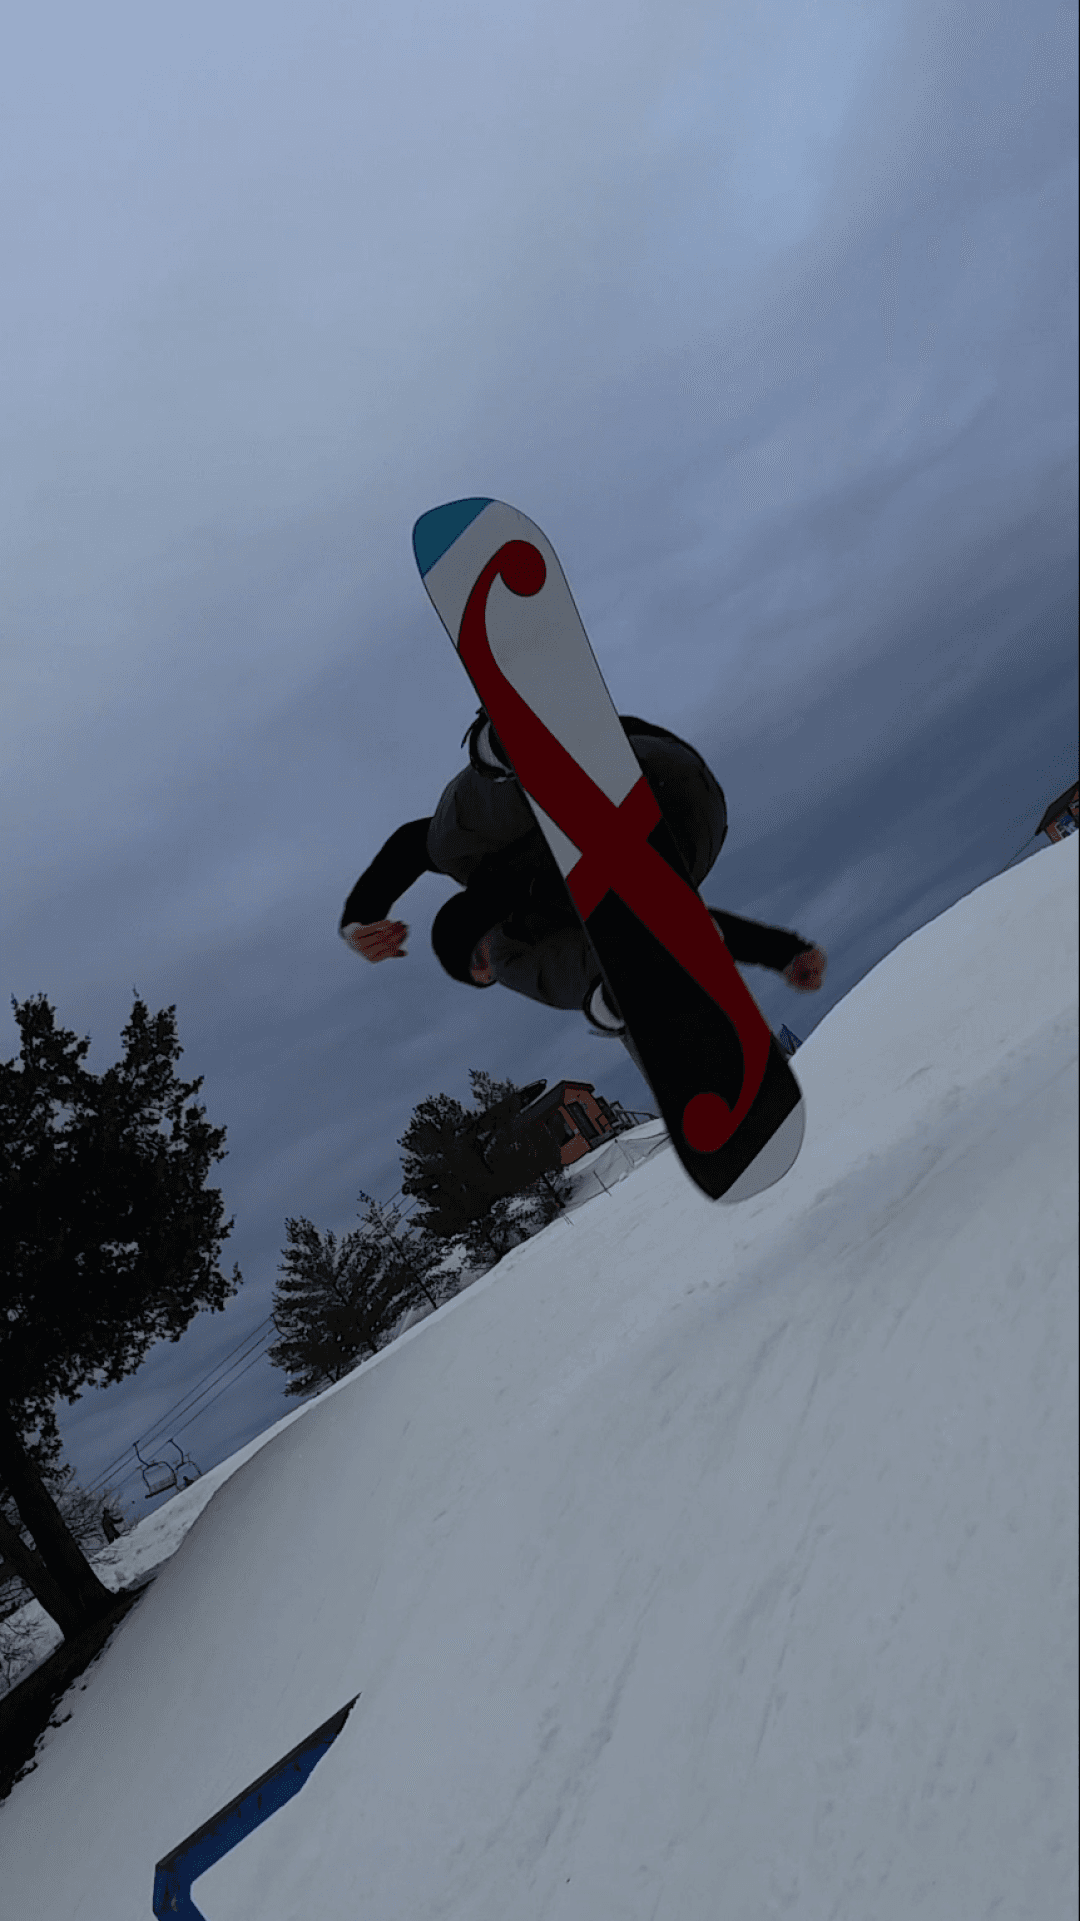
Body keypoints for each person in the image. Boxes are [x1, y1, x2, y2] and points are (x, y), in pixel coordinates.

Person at [340, 709, 826, 1049]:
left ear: (468, 930)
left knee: (446, 846)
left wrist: (359, 920)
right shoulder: (559, 918)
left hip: (639, 761)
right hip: (686, 833)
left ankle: (510, 744)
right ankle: (624, 980)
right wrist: (781, 951)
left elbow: (409, 844)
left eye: (482, 956)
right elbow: (684, 915)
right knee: (620, 917)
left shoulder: (474, 863)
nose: (500, 955)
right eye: (491, 973)